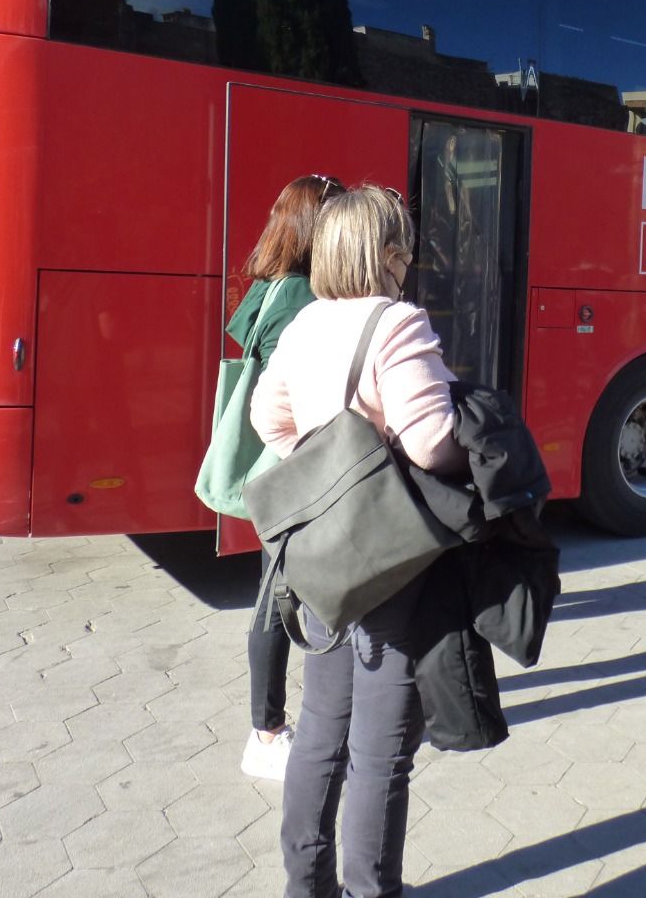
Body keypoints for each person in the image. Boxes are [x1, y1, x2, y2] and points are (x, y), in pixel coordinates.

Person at [251, 184, 463, 898]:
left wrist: (323, 470)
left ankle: (305, 886)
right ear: (389, 254)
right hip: (390, 563)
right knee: (381, 753)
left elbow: (266, 420)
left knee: (318, 732)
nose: (408, 262)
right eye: (403, 248)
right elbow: (432, 444)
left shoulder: (305, 323)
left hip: (323, 561)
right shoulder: (398, 323)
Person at [229, 174, 343, 782]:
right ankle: (265, 733)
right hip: (290, 464)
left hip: (266, 465)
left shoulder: (268, 287)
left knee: (275, 586)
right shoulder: (303, 299)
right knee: (275, 597)